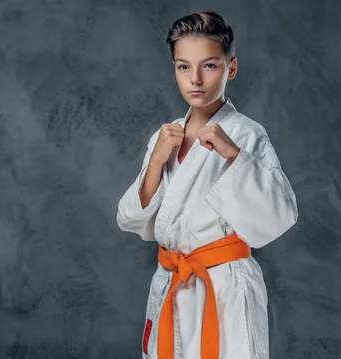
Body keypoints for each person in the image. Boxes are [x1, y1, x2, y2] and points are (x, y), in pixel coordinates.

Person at [116, 10, 299, 359]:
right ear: (173, 68)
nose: (195, 79)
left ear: (230, 67)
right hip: (173, 279)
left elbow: (280, 216)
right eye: (183, 66)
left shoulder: (247, 134)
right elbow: (132, 220)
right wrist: (156, 162)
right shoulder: (164, 136)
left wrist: (234, 156)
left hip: (225, 285)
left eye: (209, 65)